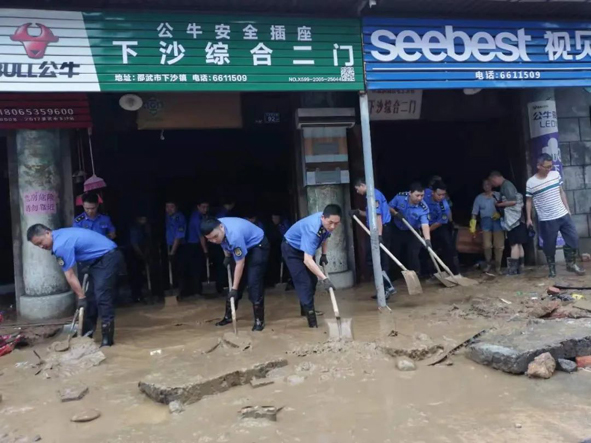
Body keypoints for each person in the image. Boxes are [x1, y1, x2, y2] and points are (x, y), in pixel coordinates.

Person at [26, 224, 122, 346]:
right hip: (96, 261)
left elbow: (70, 275)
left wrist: (81, 297)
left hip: (108, 257)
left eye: (40, 242)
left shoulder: (60, 245)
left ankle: (107, 339)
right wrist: (83, 297)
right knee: (90, 298)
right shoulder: (59, 234)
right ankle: (85, 335)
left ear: (47, 233)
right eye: (37, 245)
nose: (41, 247)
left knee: (102, 296)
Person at [201, 217, 270, 331]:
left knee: (253, 281)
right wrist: (227, 256)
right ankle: (228, 316)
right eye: (210, 239)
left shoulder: (234, 236)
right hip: (242, 243)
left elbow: (240, 263)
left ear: (221, 227)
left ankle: (259, 320)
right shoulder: (216, 227)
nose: (214, 241)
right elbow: (223, 242)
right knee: (236, 280)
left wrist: (234, 289)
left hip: (257, 245)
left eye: (215, 237)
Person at [526, 154, 585, 277]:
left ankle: (570, 263)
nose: (549, 169)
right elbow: (529, 201)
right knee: (549, 245)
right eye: (547, 167)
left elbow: (561, 192)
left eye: (551, 166)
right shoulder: (531, 182)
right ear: (539, 166)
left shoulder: (555, 175)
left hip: (562, 214)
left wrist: (567, 209)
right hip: (547, 218)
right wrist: (529, 218)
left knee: (573, 239)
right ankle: (552, 269)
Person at [282, 204, 340, 328]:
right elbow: (307, 260)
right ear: (323, 218)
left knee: (312, 280)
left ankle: (306, 308)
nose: (333, 226)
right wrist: (324, 278)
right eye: (330, 223)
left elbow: (325, 237)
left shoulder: (326, 224)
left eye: (336, 223)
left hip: (305, 249)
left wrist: (324, 254)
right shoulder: (312, 230)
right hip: (292, 249)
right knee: (304, 283)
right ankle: (312, 322)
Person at [352, 178, 396, 299]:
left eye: (357, 189)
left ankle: (387, 287)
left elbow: (377, 216)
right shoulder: (372, 195)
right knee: (374, 258)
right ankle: (383, 289)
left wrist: (379, 235)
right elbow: (371, 214)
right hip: (378, 230)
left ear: (362, 185)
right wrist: (358, 212)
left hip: (380, 230)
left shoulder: (373, 196)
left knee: (376, 259)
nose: (357, 192)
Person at [388, 182, 431, 275]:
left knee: (413, 254)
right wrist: (395, 213)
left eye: (422, 195)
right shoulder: (400, 197)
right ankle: (393, 275)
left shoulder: (423, 208)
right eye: (417, 195)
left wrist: (427, 239)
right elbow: (388, 207)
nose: (419, 198)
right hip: (397, 228)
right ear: (410, 193)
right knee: (395, 251)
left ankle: (416, 274)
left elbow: (425, 225)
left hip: (413, 231)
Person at [489, 171, 528, 275]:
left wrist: (499, 205)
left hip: (514, 219)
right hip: (519, 218)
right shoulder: (506, 185)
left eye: (492, 182)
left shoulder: (506, 185)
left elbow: (513, 201)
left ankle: (513, 269)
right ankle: (521, 267)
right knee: (519, 244)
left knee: (514, 244)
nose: (493, 184)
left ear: (495, 178)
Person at [470, 179, 505, 274]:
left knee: (499, 246)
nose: (487, 186)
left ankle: (498, 267)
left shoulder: (497, 195)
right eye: (485, 184)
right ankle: (488, 264)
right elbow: (474, 213)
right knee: (487, 245)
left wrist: (500, 214)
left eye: (489, 184)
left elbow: (506, 207)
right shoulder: (479, 198)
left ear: (492, 185)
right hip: (485, 222)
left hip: (497, 221)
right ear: (482, 186)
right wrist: (472, 226)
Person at [424, 181, 458, 275]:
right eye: (439, 194)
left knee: (447, 245)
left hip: (436, 226)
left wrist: (426, 231)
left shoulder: (444, 206)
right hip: (422, 223)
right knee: (422, 248)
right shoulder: (425, 193)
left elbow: (439, 222)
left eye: (443, 195)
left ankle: (452, 271)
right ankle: (425, 272)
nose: (441, 197)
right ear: (433, 192)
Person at [165, 201, 190, 298]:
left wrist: (172, 252)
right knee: (173, 270)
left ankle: (182, 292)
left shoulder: (180, 218)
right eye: (167, 207)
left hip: (179, 247)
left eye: (172, 207)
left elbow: (179, 236)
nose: (169, 209)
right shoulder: (167, 217)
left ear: (176, 207)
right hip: (170, 246)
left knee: (180, 270)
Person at [212, 199, 236, 293]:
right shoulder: (223, 215)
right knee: (221, 265)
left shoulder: (222, 213)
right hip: (221, 243)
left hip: (223, 243)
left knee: (223, 265)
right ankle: (222, 286)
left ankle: (225, 285)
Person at [187, 200, 210, 296]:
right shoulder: (196, 218)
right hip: (194, 246)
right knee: (196, 269)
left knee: (199, 268)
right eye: (203, 207)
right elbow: (201, 236)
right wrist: (205, 251)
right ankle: (196, 291)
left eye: (207, 207)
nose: (205, 209)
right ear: (198, 207)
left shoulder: (202, 216)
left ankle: (199, 290)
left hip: (198, 244)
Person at [127, 215, 152, 303]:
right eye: (142, 219)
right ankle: (136, 296)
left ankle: (142, 295)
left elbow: (148, 241)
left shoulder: (146, 228)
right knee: (135, 276)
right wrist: (142, 255)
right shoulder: (135, 229)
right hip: (134, 255)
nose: (144, 220)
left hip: (142, 253)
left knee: (142, 275)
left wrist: (146, 253)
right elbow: (134, 245)